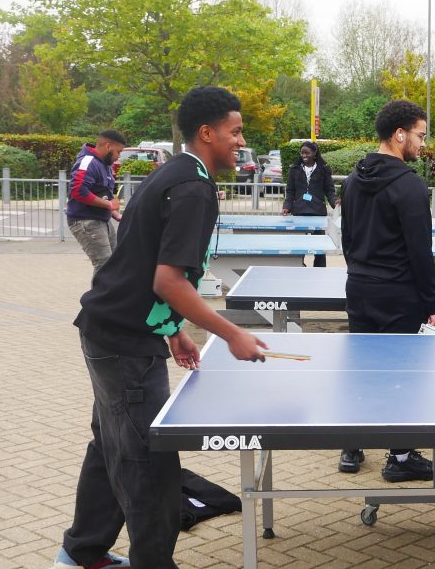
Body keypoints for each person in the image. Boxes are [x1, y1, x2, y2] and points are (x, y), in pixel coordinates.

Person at [55, 86, 268, 569]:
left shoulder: (172, 174)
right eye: (235, 132)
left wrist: (172, 329)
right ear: (207, 133)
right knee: (148, 461)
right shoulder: (193, 188)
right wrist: (231, 332)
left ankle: (81, 552)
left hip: (111, 330)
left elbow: (143, 261)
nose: (240, 141)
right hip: (122, 341)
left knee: (110, 443)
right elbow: (168, 279)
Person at [336, 99, 435, 482]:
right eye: (420, 135)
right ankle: (399, 458)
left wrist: (361, 272)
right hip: (399, 293)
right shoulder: (409, 185)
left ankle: (353, 444)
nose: (422, 144)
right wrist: (432, 303)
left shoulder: (351, 180)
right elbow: (420, 251)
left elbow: (347, 239)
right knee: (400, 374)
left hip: (359, 287)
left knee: (363, 370)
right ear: (400, 135)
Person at [66, 130, 127, 272]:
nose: (118, 157)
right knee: (104, 266)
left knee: (114, 263)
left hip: (101, 219)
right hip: (85, 221)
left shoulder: (105, 165)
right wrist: (109, 204)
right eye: (118, 152)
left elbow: (103, 194)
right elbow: (78, 191)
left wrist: (116, 214)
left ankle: (109, 294)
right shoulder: (88, 162)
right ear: (108, 146)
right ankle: (99, 294)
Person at [282, 140, 337, 267]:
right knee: (298, 245)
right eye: (302, 153)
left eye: (307, 153)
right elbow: (290, 191)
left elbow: (329, 190)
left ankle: (319, 269)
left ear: (314, 153)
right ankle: (299, 266)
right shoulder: (294, 169)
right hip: (299, 212)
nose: (304, 155)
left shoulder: (324, 169)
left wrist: (335, 202)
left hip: (317, 213)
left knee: (319, 246)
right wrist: (287, 206)